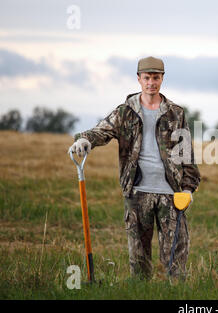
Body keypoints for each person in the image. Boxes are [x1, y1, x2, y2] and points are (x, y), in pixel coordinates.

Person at [68, 56, 201, 279]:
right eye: (147, 77)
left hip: (172, 194)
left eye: (156, 77)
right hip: (137, 193)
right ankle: (140, 293)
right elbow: (103, 130)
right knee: (139, 262)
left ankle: (178, 297)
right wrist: (85, 140)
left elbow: (186, 153)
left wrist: (188, 188)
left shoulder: (175, 113)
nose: (151, 82)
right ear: (139, 79)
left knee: (176, 261)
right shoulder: (125, 112)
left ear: (162, 79)